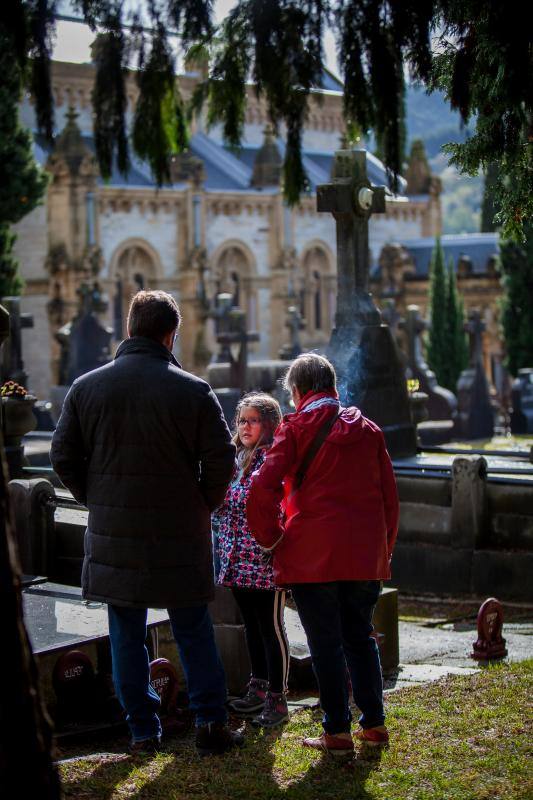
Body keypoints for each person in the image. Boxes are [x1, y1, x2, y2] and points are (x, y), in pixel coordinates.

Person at [51, 290, 243, 757]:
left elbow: (62, 456)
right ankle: (210, 722)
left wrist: (96, 498)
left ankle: (141, 729)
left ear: (131, 328)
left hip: (116, 534)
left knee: (125, 631)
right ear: (170, 334)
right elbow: (223, 460)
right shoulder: (193, 390)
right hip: (180, 532)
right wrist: (203, 503)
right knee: (193, 627)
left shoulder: (86, 387)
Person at [247, 353, 399, 756]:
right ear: (331, 386)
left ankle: (336, 731)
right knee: (361, 637)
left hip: (313, 556)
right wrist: (383, 550)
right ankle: (375, 723)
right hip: (365, 554)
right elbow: (389, 497)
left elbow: (262, 487)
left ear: (297, 392)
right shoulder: (369, 429)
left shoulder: (295, 427)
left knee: (326, 644)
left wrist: (271, 539)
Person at [214, 392, 290, 728]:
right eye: (242, 420)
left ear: (269, 425)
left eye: (253, 420)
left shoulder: (274, 459)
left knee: (271, 628)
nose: (245, 426)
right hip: (237, 559)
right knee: (252, 628)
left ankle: (278, 697)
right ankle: (257, 688)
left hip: (265, 560)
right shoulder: (235, 459)